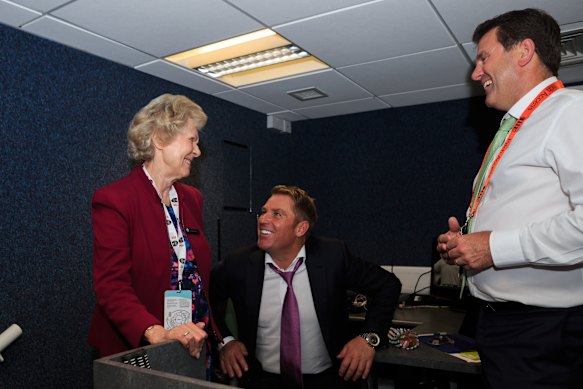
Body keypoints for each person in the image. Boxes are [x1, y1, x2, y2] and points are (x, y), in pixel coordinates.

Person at [436, 9, 583, 389]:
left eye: (484, 57)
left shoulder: (570, 112)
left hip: (542, 330)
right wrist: (466, 244)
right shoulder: (518, 129)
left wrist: (493, 248)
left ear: (524, 52)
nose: (475, 73)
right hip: (503, 325)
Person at [211, 185, 401, 389]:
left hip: (328, 379)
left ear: (300, 228)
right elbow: (204, 298)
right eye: (264, 211)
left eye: (277, 214)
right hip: (263, 380)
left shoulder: (332, 256)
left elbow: (387, 285)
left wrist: (368, 338)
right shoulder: (239, 264)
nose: (263, 219)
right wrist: (226, 341)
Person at [88, 94, 220, 377]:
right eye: (192, 140)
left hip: (192, 340)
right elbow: (112, 286)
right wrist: (156, 333)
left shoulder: (191, 198)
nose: (197, 152)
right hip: (143, 347)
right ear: (160, 139)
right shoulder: (115, 199)